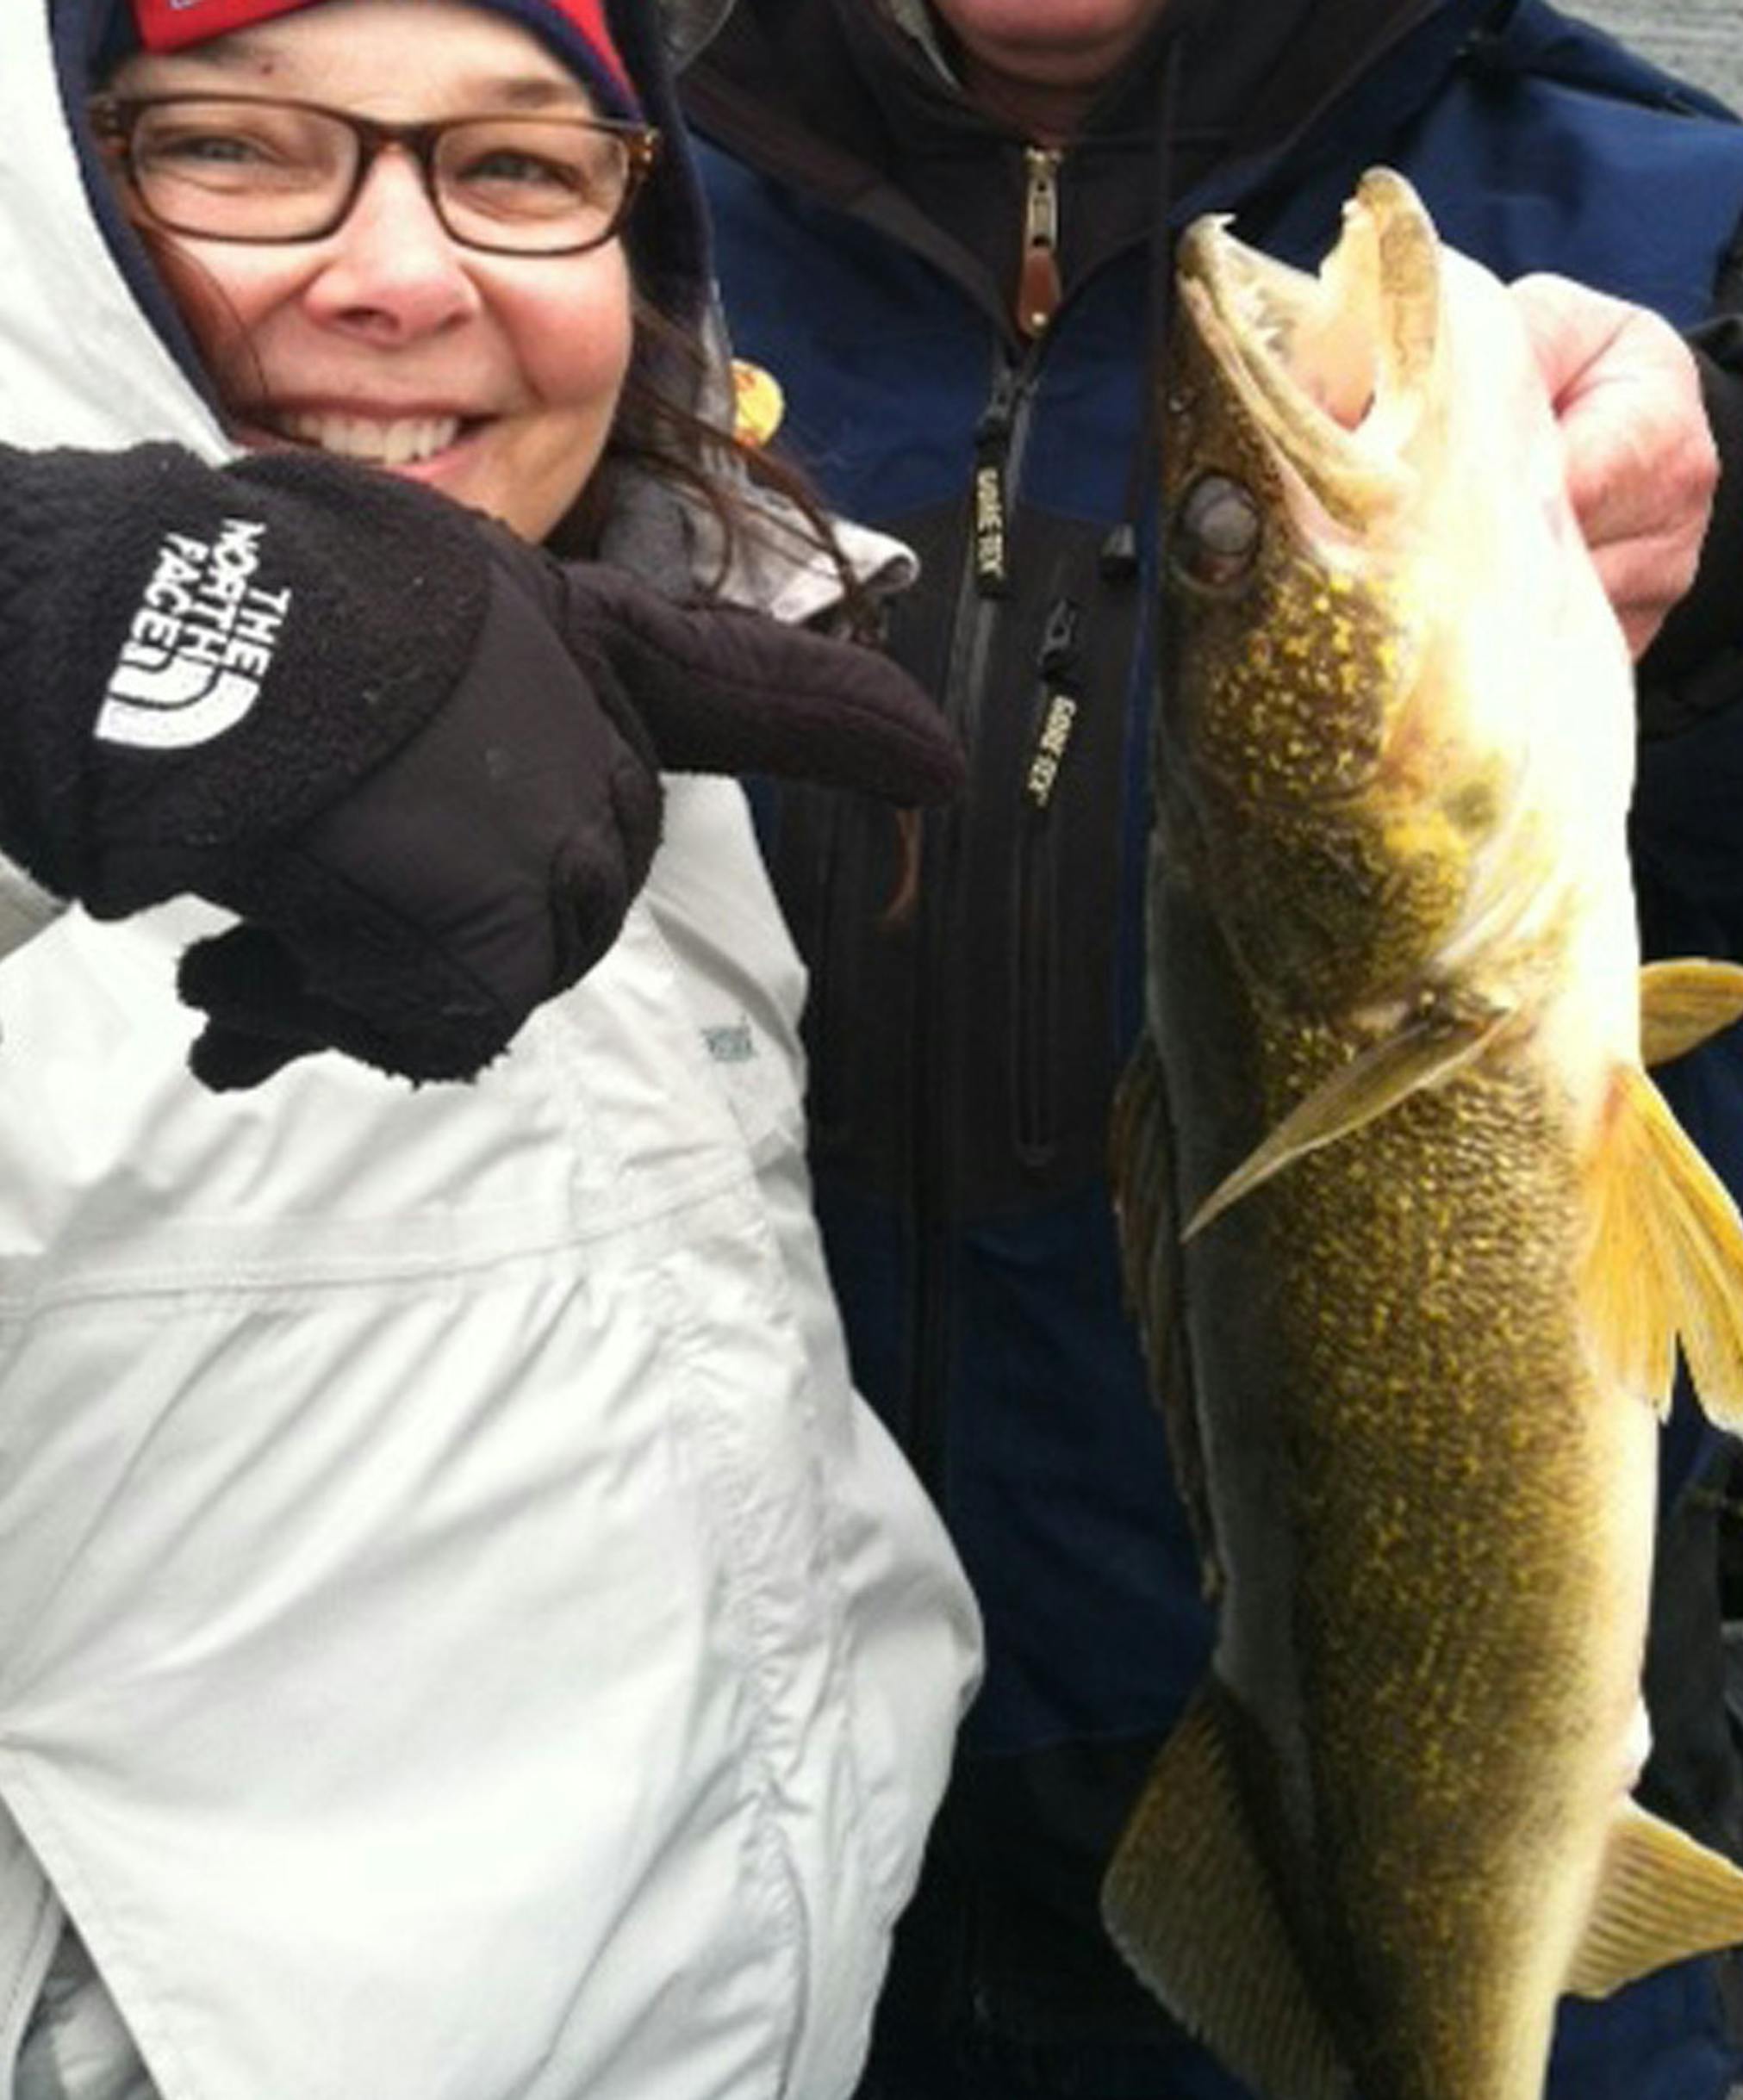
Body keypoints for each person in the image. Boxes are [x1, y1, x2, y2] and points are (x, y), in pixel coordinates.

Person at [675, 2, 1743, 2096]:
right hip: (733, 1853)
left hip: (1425, 1828)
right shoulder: (575, 195)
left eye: (1228, 554)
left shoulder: (1688, 227)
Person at [0, 2, 984, 2096]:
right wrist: (66, 639)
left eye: (525, 169)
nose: (402, 272)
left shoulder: (681, 674)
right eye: (244, 152)